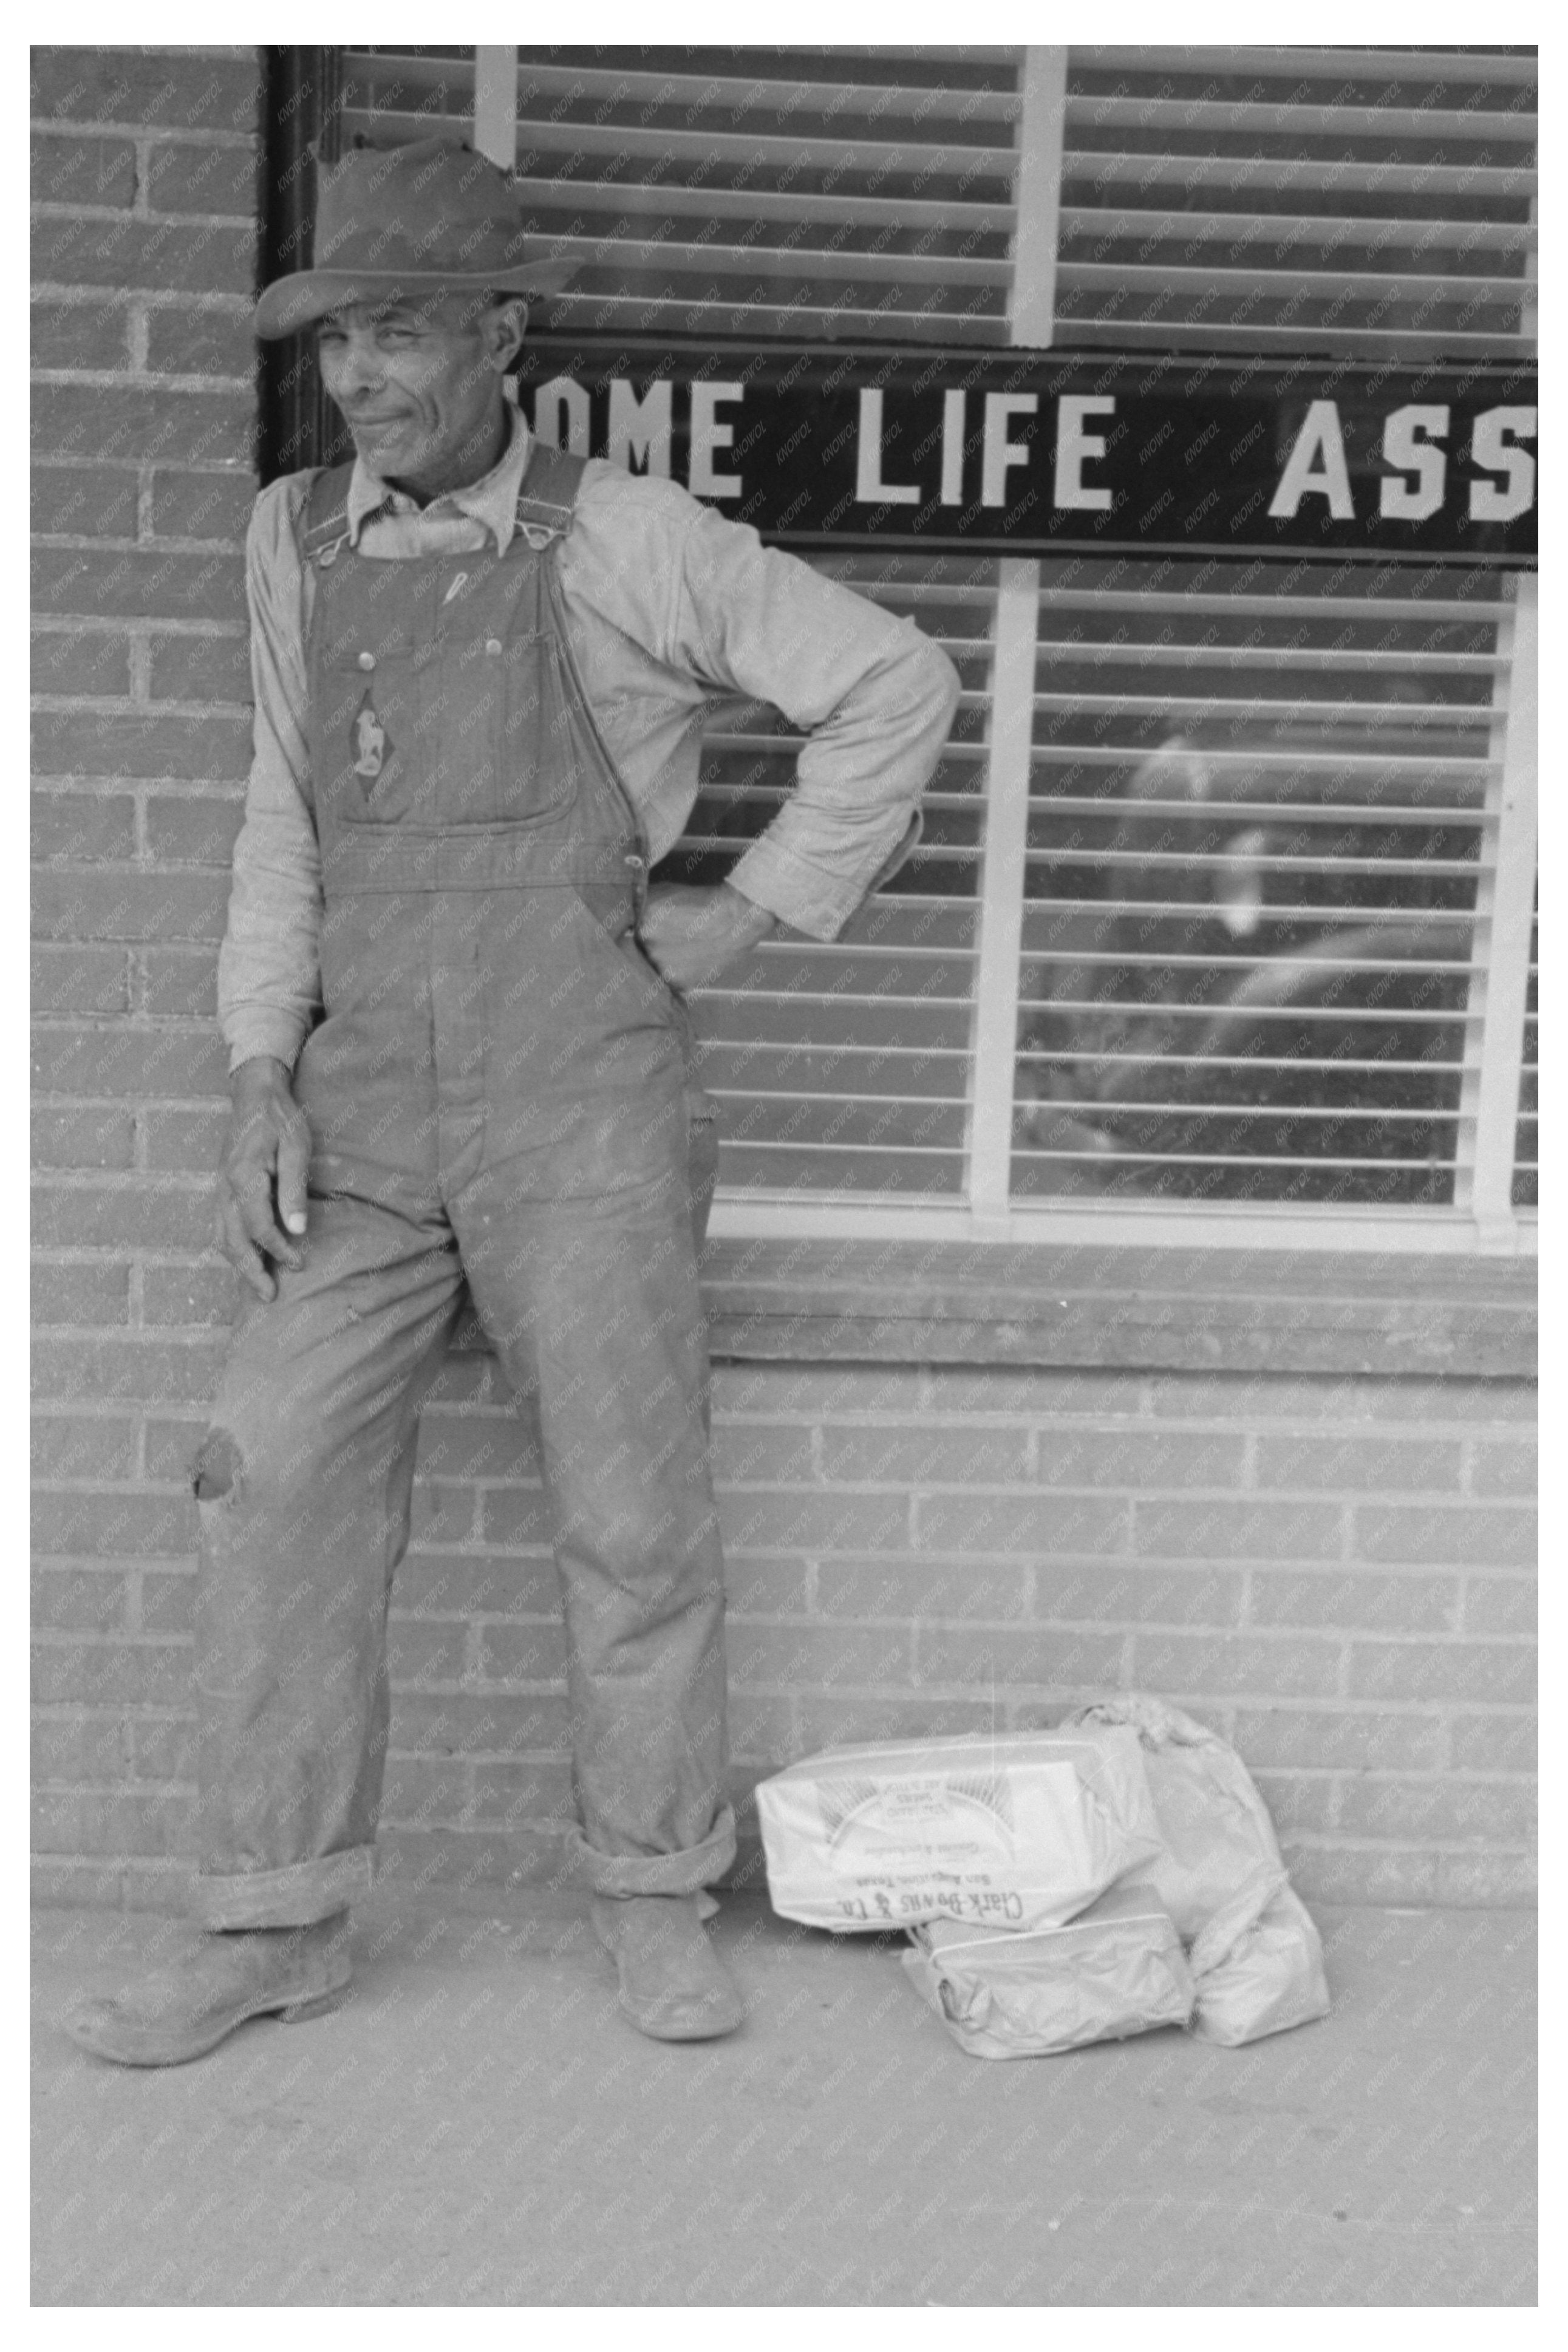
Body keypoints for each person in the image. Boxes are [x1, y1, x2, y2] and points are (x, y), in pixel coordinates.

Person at [64, 137, 959, 2067]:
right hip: (363, 1102)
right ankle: (273, 1918)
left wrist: (758, 910)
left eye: (395, 332)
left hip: (584, 1101)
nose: (360, 379)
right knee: (269, 1461)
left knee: (634, 1508)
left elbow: (893, 681)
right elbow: (282, 823)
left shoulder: (630, 538)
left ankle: (653, 1892)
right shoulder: (294, 538)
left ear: (503, 332)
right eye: (334, 344)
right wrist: (252, 1076)